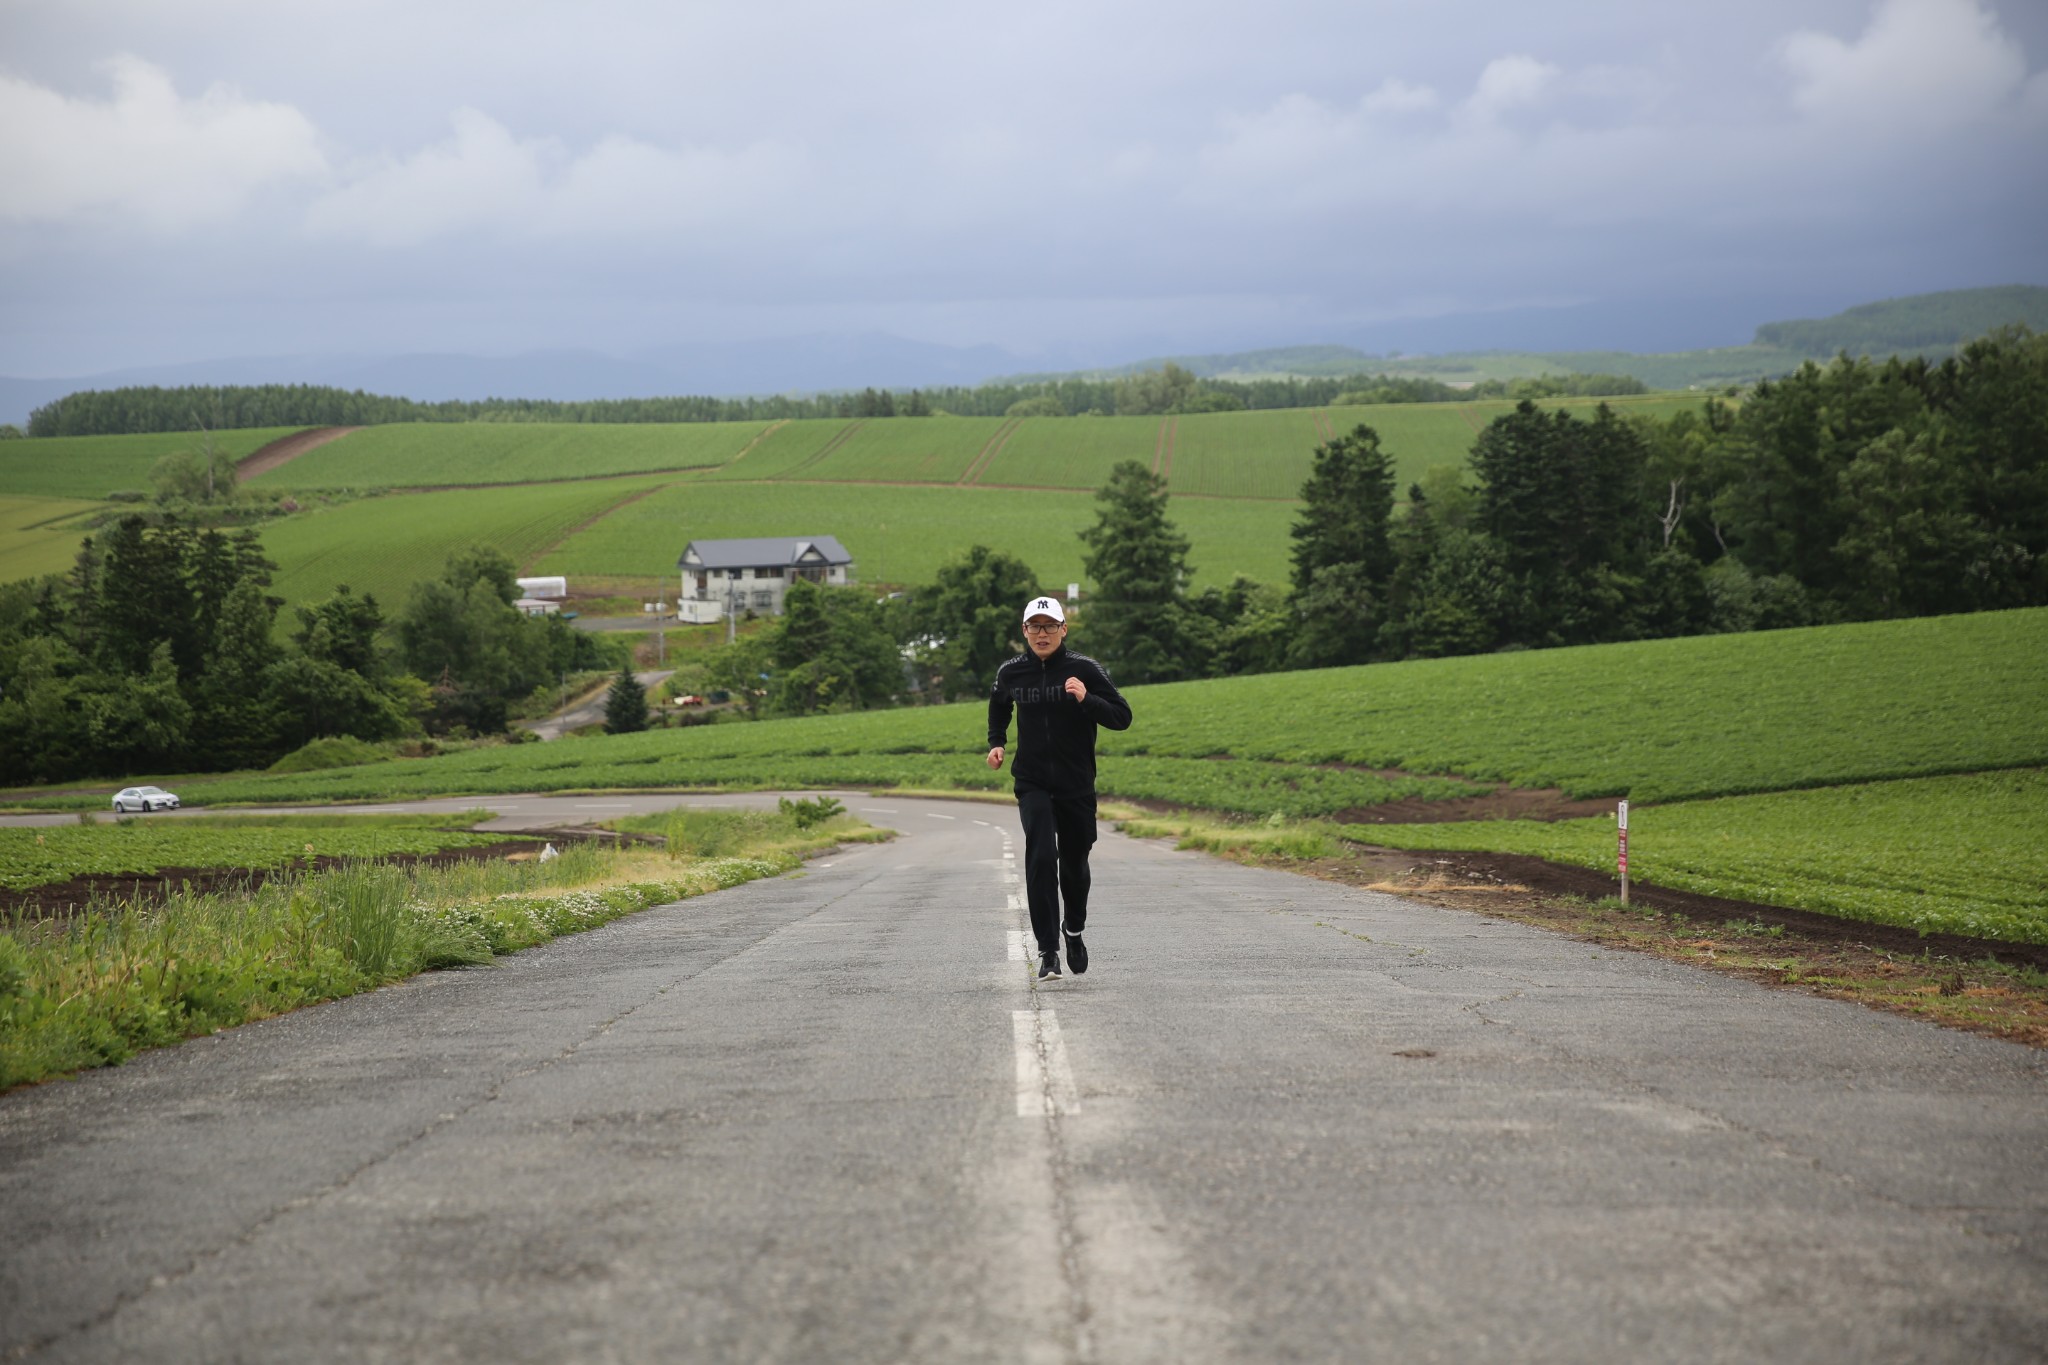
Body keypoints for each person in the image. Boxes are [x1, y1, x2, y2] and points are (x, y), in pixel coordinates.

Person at [986, 594, 1132, 980]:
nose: (1042, 633)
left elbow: (1122, 716)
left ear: (1063, 629)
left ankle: (1074, 931)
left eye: (1050, 626)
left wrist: (1087, 700)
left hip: (1076, 784)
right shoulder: (1012, 671)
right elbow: (1000, 703)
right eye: (1034, 626)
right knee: (1040, 857)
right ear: (1024, 631)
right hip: (1031, 781)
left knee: (1074, 864)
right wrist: (996, 741)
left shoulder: (1085, 669)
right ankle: (1048, 949)